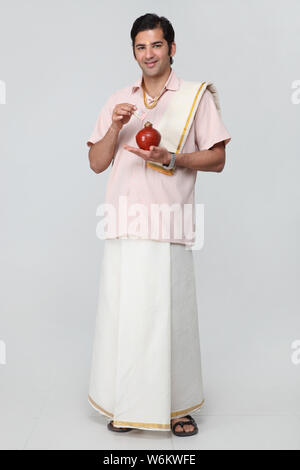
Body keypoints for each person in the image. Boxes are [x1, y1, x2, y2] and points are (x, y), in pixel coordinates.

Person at [86, 13, 231, 437]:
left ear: (171, 47)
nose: (149, 54)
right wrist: (115, 126)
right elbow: (96, 163)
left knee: (172, 319)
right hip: (125, 222)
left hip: (169, 220)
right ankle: (125, 404)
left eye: (156, 45)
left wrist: (172, 158)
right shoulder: (119, 100)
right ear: (133, 51)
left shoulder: (193, 97)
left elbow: (218, 158)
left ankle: (178, 407)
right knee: (125, 317)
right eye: (141, 47)